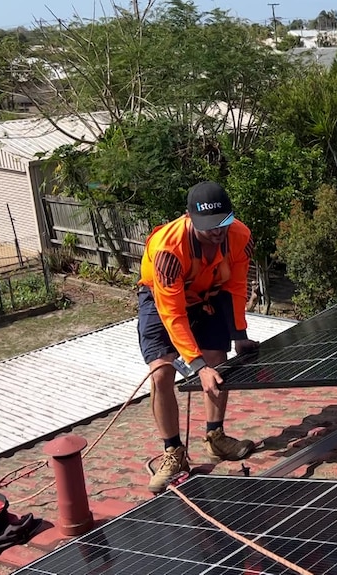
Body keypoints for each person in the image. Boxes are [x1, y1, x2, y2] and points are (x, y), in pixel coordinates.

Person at [137, 181, 260, 493]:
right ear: (189, 218)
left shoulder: (240, 237)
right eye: (209, 226)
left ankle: (216, 438)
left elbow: (236, 285)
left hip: (208, 292)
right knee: (161, 373)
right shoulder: (168, 251)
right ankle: (173, 453)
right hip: (161, 299)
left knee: (218, 362)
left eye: (223, 223)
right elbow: (173, 314)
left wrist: (239, 333)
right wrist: (196, 365)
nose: (218, 231)